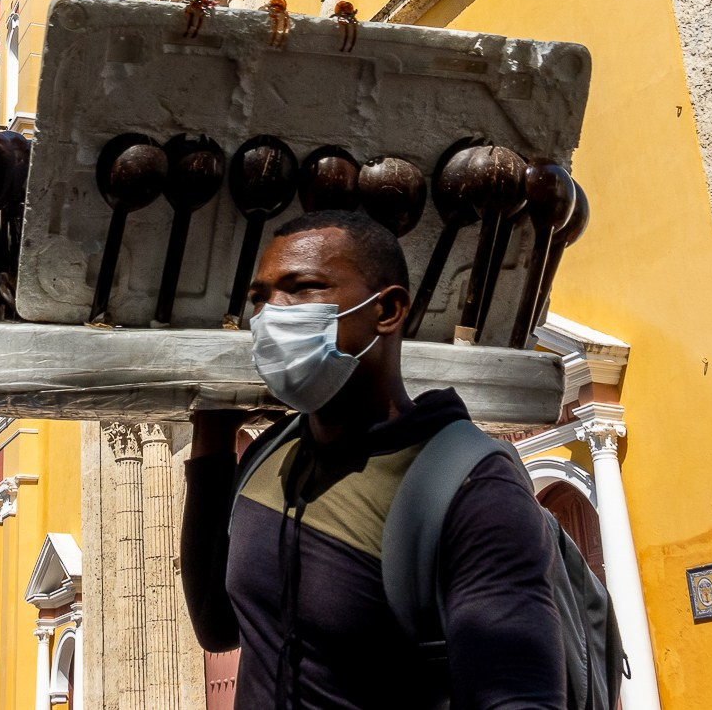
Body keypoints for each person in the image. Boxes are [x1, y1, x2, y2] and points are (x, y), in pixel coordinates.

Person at [181, 209, 565, 709]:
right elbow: (217, 626)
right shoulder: (268, 456)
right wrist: (211, 437)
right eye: (260, 297)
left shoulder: (472, 490)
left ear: (387, 310)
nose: (270, 315)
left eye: (303, 287)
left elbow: (518, 697)